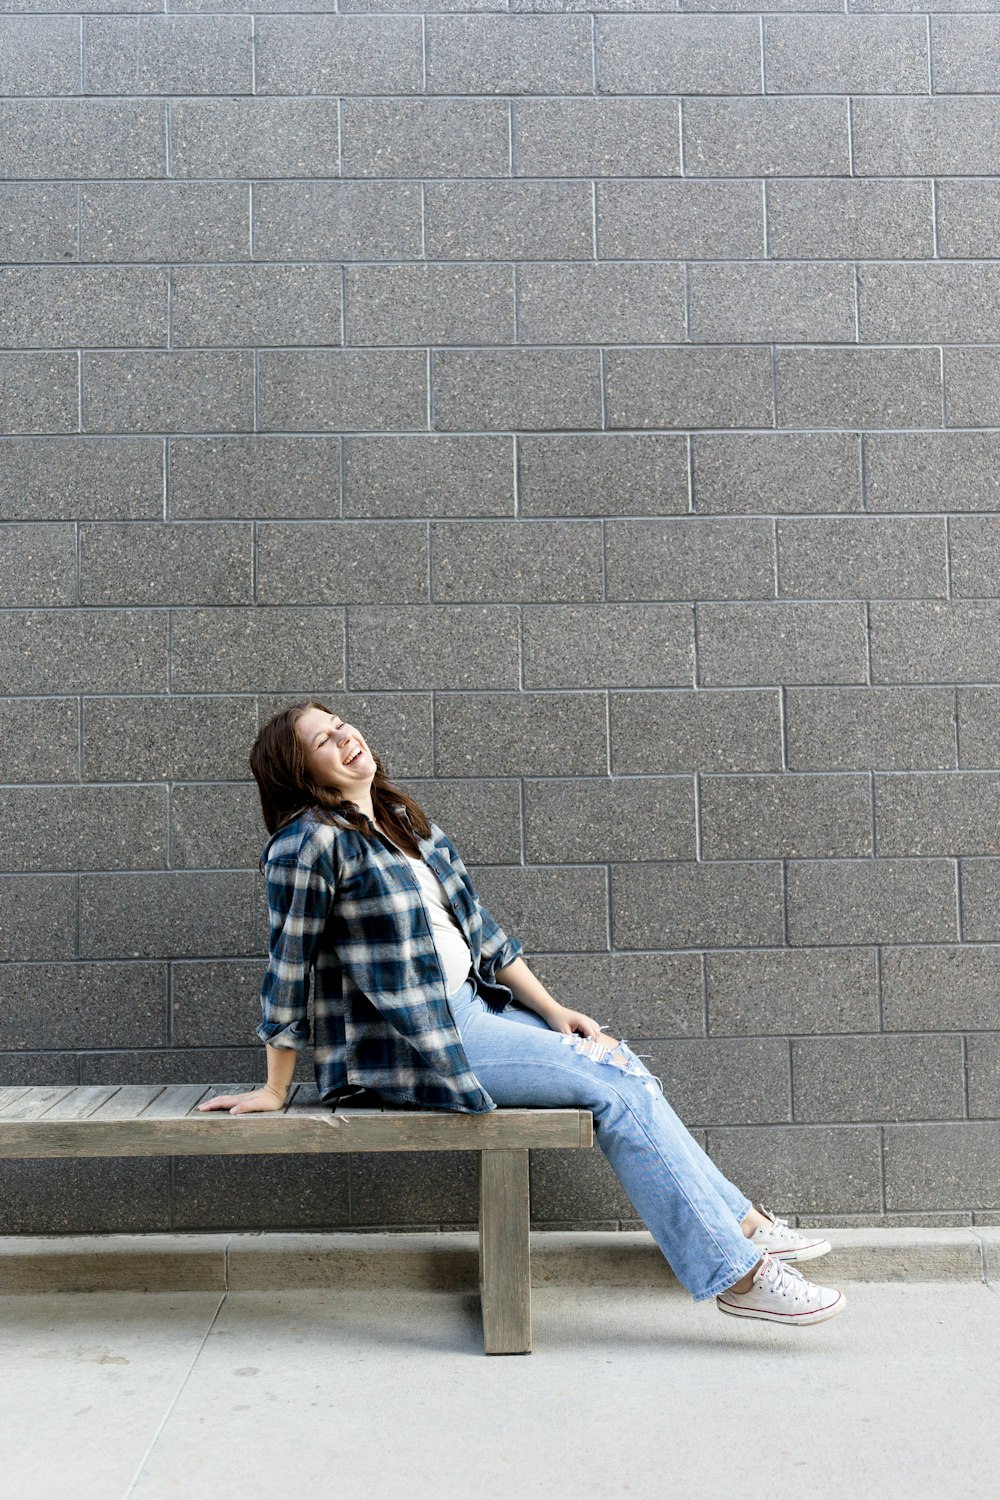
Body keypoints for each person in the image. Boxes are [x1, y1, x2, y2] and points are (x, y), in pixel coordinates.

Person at [200, 699, 846, 1328]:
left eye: (342, 726)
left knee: (616, 1059)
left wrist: (554, 1009)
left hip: (474, 1010)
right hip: (422, 1040)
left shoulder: (403, 820)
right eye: (323, 741)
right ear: (301, 773)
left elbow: (484, 934)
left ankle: (742, 1223)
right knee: (608, 1089)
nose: (346, 739)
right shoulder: (307, 844)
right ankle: (735, 1274)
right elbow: (288, 964)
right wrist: (276, 1087)